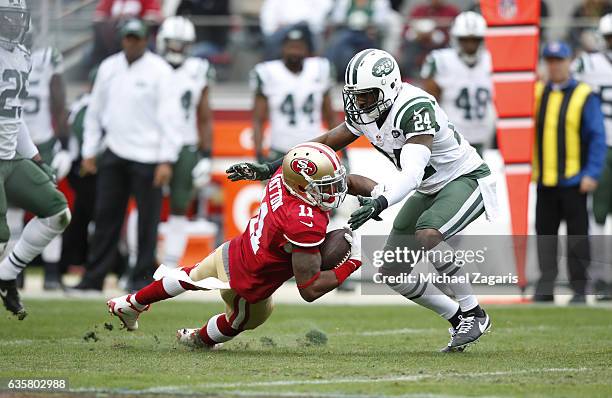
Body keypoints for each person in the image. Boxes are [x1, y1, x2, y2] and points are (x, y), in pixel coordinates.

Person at [226, 48, 498, 352]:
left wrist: (380, 202)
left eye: (367, 94)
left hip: (465, 178)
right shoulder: (368, 112)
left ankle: (474, 312)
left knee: (428, 232)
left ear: (389, 87)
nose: (360, 101)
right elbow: (327, 142)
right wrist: (273, 165)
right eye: (355, 94)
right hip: (428, 186)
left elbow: (411, 173)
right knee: (393, 272)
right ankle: (458, 317)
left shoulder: (414, 108)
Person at [107, 143, 362, 349]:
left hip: (235, 250)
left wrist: (381, 196)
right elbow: (309, 289)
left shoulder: (281, 177)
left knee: (189, 276)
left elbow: (338, 176)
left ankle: (131, 303)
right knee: (238, 322)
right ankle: (196, 339)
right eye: (325, 185)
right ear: (302, 186)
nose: (333, 190)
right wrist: (351, 263)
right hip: (250, 283)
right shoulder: (303, 221)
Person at [74, 18, 180, 293]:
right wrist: (89, 151)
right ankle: (93, 277)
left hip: (149, 155)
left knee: (148, 220)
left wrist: (167, 159)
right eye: (128, 38)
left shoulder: (161, 71)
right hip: (115, 151)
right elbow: (94, 112)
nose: (132, 42)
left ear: (147, 40)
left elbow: (171, 118)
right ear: (122, 39)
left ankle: (141, 278)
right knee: (106, 216)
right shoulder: (108, 68)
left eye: (138, 38)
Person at [0, 0, 71, 319]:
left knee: (58, 212)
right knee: (1, 234)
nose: (14, 24)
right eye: (7, 18)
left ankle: (6, 275)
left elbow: (15, 114)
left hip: (11, 156)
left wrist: (35, 156)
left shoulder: (23, 56)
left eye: (18, 18)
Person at [533, 41, 606, 303]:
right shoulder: (537, 92)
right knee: (545, 237)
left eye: (558, 61)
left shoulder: (584, 94)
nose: (554, 66)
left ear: (568, 63)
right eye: (549, 61)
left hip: (575, 180)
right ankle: (546, 287)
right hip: (545, 180)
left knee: (577, 238)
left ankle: (579, 288)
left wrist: (592, 173)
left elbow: (597, 136)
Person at [155, 16, 214, 268]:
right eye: (173, 42)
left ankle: (169, 265)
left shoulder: (198, 69)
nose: (177, 48)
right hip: (151, 143)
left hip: (187, 144)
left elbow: (204, 114)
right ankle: (139, 260)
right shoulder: (151, 67)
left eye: (182, 43)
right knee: (145, 203)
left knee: (180, 205)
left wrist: (206, 154)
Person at [21, 39, 73, 290]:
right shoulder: (43, 58)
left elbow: (59, 102)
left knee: (51, 209)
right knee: (20, 211)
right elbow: (59, 103)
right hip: (19, 141)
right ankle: (19, 272)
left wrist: (64, 144)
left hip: (36, 142)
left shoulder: (46, 56)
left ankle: (48, 272)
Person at [251, 26, 337, 162]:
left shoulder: (320, 69)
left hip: (314, 150)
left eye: (299, 47)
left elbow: (330, 115)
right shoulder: (268, 72)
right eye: (290, 47)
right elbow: (258, 119)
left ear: (307, 50)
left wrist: (343, 152)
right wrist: (259, 155)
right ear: (282, 49)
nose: (294, 52)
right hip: (280, 151)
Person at [572, 14, 612, 300]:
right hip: (602, 144)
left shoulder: (590, 63)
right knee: (597, 215)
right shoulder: (587, 63)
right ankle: (601, 277)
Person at [421, 11, 496, 156]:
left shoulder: (493, 61)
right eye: (465, 40)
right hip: (452, 136)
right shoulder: (441, 61)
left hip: (485, 136)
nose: (470, 44)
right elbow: (429, 102)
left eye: (475, 40)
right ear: (456, 39)